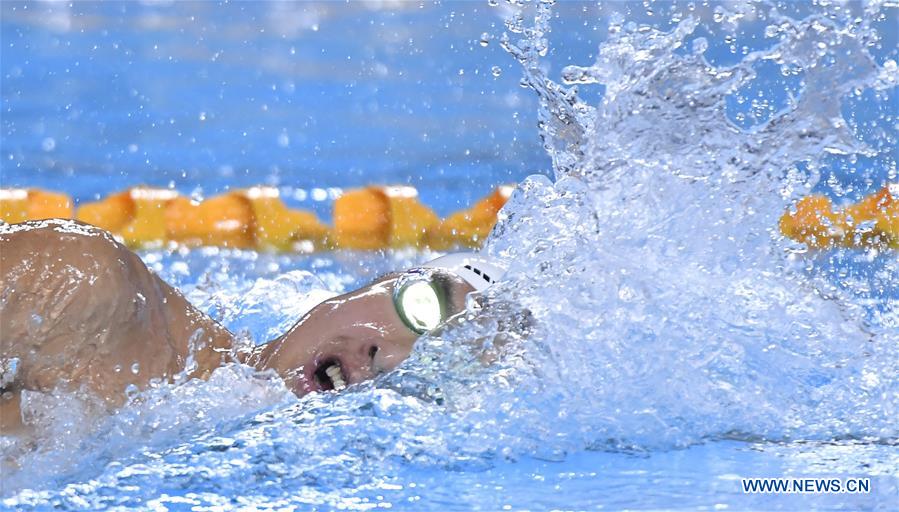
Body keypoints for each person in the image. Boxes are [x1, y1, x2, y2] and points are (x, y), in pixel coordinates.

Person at [0, 219, 506, 434]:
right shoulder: (86, 286)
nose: (388, 354)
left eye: (438, 361)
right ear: (371, 284)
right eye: (423, 308)